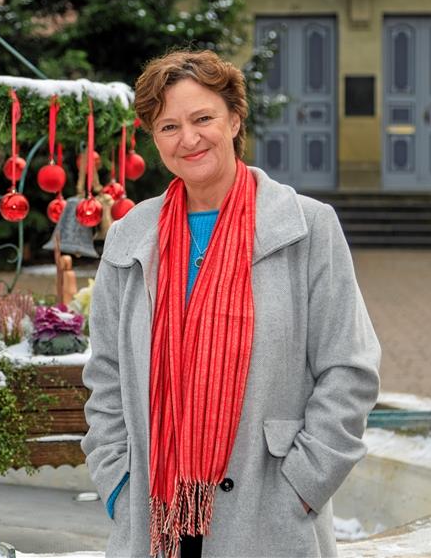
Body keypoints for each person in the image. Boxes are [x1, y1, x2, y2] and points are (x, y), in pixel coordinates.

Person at [82, 50, 380, 557]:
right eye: (169, 126)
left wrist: (302, 488)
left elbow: (349, 370)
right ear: (154, 139)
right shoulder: (131, 237)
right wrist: (117, 482)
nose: (189, 139)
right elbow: (105, 373)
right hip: (156, 515)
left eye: (203, 119)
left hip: (267, 516)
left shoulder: (306, 228)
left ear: (235, 119)